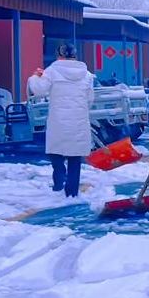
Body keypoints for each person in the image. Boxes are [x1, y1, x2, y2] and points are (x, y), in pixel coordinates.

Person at [27, 43, 95, 197]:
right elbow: (90, 99)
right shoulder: (87, 75)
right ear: (75, 55)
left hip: (58, 121)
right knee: (75, 157)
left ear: (59, 55)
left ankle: (59, 185)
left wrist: (35, 77)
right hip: (78, 121)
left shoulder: (51, 71)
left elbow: (38, 90)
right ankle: (72, 193)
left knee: (56, 152)